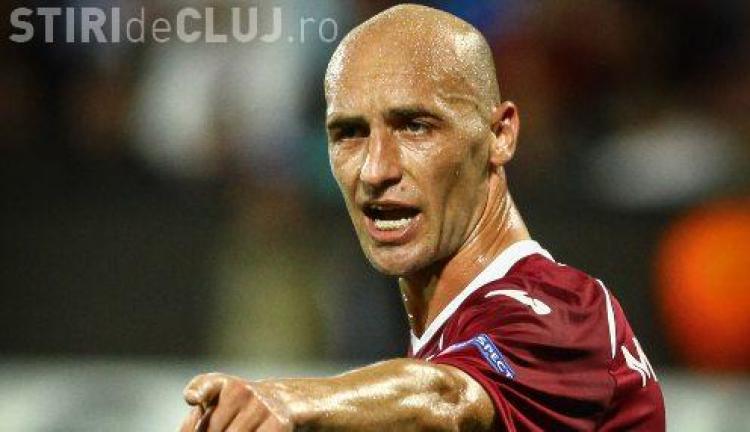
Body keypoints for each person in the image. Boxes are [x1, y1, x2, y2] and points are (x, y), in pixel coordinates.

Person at [179, 5, 665, 431]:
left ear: (500, 134)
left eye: (415, 126)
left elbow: (448, 398)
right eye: (349, 133)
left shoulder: (563, 313)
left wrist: (292, 401)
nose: (375, 169)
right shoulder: (446, 345)